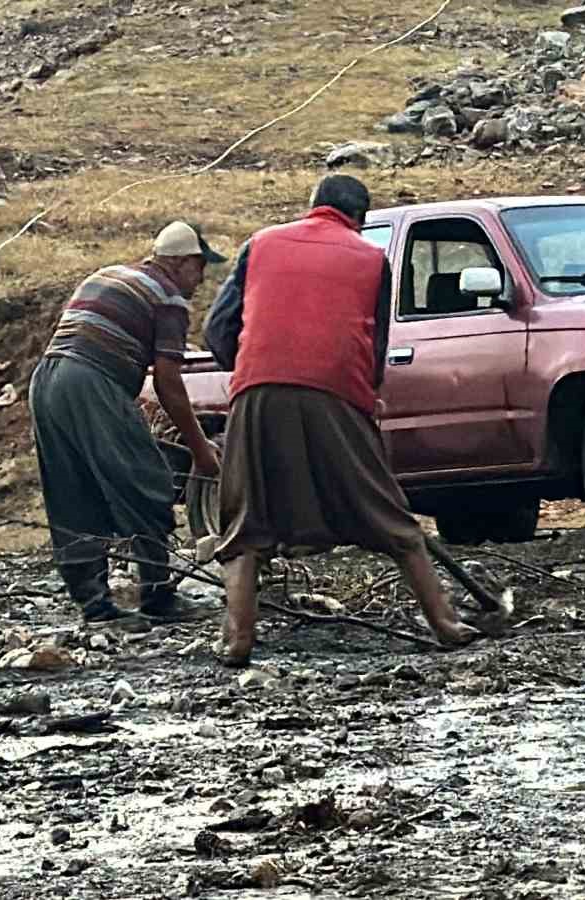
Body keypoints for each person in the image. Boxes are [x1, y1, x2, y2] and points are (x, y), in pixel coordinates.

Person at [205, 174, 479, 667]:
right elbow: (375, 345)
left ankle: (237, 639)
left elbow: (218, 329)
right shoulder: (372, 259)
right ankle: (444, 623)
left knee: (245, 518)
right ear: (362, 220)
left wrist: (253, 365)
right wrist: (365, 395)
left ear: (312, 206)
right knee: (387, 512)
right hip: (335, 391)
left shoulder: (260, 244)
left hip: (257, 392)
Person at [30, 221, 225, 625]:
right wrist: (201, 451)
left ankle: (95, 607)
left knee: (72, 492)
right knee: (147, 482)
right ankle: (158, 597)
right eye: (199, 268)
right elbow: (168, 381)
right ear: (183, 262)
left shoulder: (108, 274)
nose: (201, 279)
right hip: (89, 382)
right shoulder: (168, 297)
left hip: (47, 380)